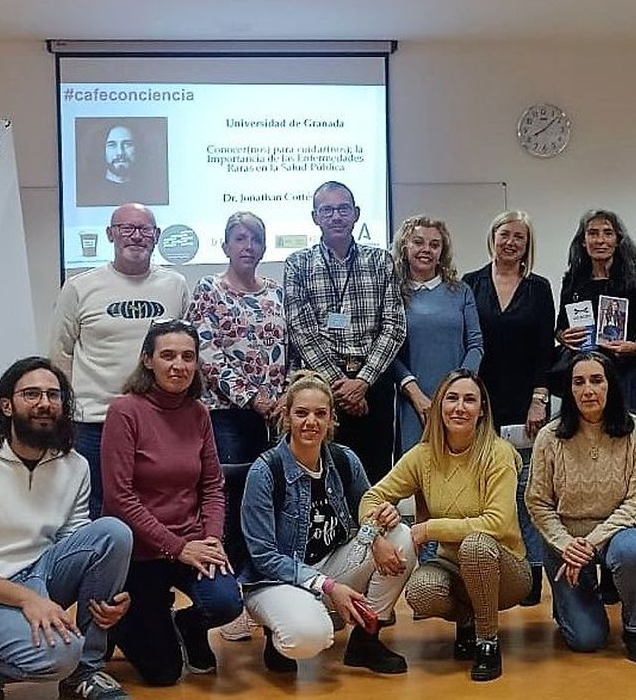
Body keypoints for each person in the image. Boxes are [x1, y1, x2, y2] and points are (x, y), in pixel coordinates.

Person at [0, 357, 136, 700]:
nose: (44, 403)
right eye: (31, 394)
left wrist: (107, 595)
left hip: (38, 578)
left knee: (113, 533)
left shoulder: (75, 465)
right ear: (7, 405)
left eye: (53, 395)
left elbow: (77, 543)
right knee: (60, 654)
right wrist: (26, 599)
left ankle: (85, 673)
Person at [238, 371, 416, 675]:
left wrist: (379, 526)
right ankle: (277, 631)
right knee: (309, 638)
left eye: (320, 414)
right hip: (275, 580)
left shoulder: (344, 459)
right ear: (286, 417)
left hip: (330, 566)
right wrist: (328, 586)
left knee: (401, 536)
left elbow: (367, 510)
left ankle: (366, 639)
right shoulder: (265, 472)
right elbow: (264, 557)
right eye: (301, 413)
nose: (311, 422)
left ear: (332, 419)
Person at [360, 370, 529, 681]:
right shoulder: (423, 455)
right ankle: (467, 620)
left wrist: (428, 529)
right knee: (420, 592)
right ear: (439, 405)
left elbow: (497, 522)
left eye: (469, 400)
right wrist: (374, 535)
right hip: (453, 567)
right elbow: (372, 496)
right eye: (452, 398)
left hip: (506, 569)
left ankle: (487, 641)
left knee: (476, 544)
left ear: (482, 410)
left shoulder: (498, 453)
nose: (459, 407)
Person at [101, 319, 244, 685]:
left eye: (187, 356)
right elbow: (119, 499)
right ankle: (123, 626)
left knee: (226, 602)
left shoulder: (198, 413)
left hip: (192, 543)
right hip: (141, 553)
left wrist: (212, 539)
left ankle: (187, 625)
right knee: (163, 674)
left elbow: (212, 485)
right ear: (147, 360)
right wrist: (177, 547)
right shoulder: (124, 411)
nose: (178, 365)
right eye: (167, 356)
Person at [49, 202, 190, 516]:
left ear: (157, 236)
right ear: (110, 234)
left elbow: (185, 352)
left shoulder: (176, 285)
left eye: (144, 229)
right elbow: (60, 354)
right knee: (97, 511)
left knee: (155, 509)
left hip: (157, 421)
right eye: (127, 228)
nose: (136, 236)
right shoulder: (79, 287)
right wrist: (64, 411)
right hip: (94, 422)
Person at [526, 350, 636, 661]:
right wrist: (567, 545)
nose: (588, 390)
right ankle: (570, 604)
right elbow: (538, 502)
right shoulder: (549, 437)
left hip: (619, 532)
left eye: (596, 380)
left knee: (633, 551)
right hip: (565, 539)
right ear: (569, 390)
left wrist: (590, 542)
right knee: (587, 640)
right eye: (579, 382)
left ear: (611, 385)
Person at [283, 181, 407, 482]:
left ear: (356, 214)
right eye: (327, 210)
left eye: (343, 209)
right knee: (322, 474)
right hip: (320, 387)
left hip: (373, 384)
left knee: (376, 476)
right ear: (315, 217)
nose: (336, 216)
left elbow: (394, 325)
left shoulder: (380, 261)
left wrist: (362, 381)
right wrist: (341, 387)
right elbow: (301, 330)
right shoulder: (298, 264)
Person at [462, 211, 556, 605]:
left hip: (525, 407)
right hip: (479, 404)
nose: (511, 242)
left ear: (527, 244)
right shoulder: (470, 283)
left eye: (519, 237)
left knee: (526, 493)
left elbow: (545, 349)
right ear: (493, 237)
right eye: (505, 234)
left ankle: (530, 573)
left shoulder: (539, 288)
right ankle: (485, 572)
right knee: (481, 491)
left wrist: (539, 399)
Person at [186, 210, 286, 465]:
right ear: (225, 247)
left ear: (264, 249)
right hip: (226, 414)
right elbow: (207, 356)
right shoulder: (209, 289)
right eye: (240, 239)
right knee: (232, 484)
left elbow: (292, 348)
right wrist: (252, 397)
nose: (248, 246)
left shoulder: (276, 292)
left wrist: (287, 395)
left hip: (276, 412)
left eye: (256, 240)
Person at [390, 215, 484, 455]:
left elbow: (475, 345)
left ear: (442, 251)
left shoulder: (461, 291)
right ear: (404, 247)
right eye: (418, 242)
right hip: (413, 403)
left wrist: (456, 391)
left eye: (434, 245)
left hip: (457, 404)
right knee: (417, 468)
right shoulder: (392, 293)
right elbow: (388, 350)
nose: (426, 249)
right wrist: (416, 394)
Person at [557, 209, 636, 417]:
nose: (600, 240)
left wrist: (635, 347)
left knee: (628, 429)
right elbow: (560, 329)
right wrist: (564, 337)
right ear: (583, 241)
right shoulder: (573, 281)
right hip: (584, 373)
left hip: (624, 372)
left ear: (618, 240)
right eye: (593, 233)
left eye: (607, 233)